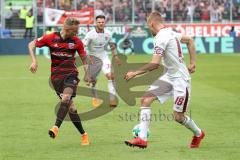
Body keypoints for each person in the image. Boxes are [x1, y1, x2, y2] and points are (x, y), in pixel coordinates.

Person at [124, 12, 205, 149]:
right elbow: (190, 40)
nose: (149, 30)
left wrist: (135, 73)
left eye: (148, 27)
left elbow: (155, 64)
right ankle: (142, 139)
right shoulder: (171, 33)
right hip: (169, 77)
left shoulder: (161, 37)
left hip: (181, 80)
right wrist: (192, 62)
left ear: (151, 24)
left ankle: (198, 133)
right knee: (145, 99)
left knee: (178, 117)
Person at [28, 17, 90, 145]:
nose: (77, 33)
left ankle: (55, 127)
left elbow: (84, 58)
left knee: (66, 98)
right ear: (67, 29)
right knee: (71, 107)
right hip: (56, 77)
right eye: (75, 31)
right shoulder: (50, 38)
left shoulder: (76, 41)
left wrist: (88, 74)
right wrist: (34, 60)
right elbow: (31, 44)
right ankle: (84, 135)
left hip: (71, 75)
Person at [83, 15, 121, 107]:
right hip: (93, 59)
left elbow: (112, 45)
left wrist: (115, 56)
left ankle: (112, 99)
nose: (101, 24)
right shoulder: (90, 34)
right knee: (93, 81)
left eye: (102, 22)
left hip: (104, 57)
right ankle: (95, 97)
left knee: (111, 76)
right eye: (99, 22)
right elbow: (83, 47)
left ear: (104, 23)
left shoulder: (108, 33)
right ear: (96, 23)